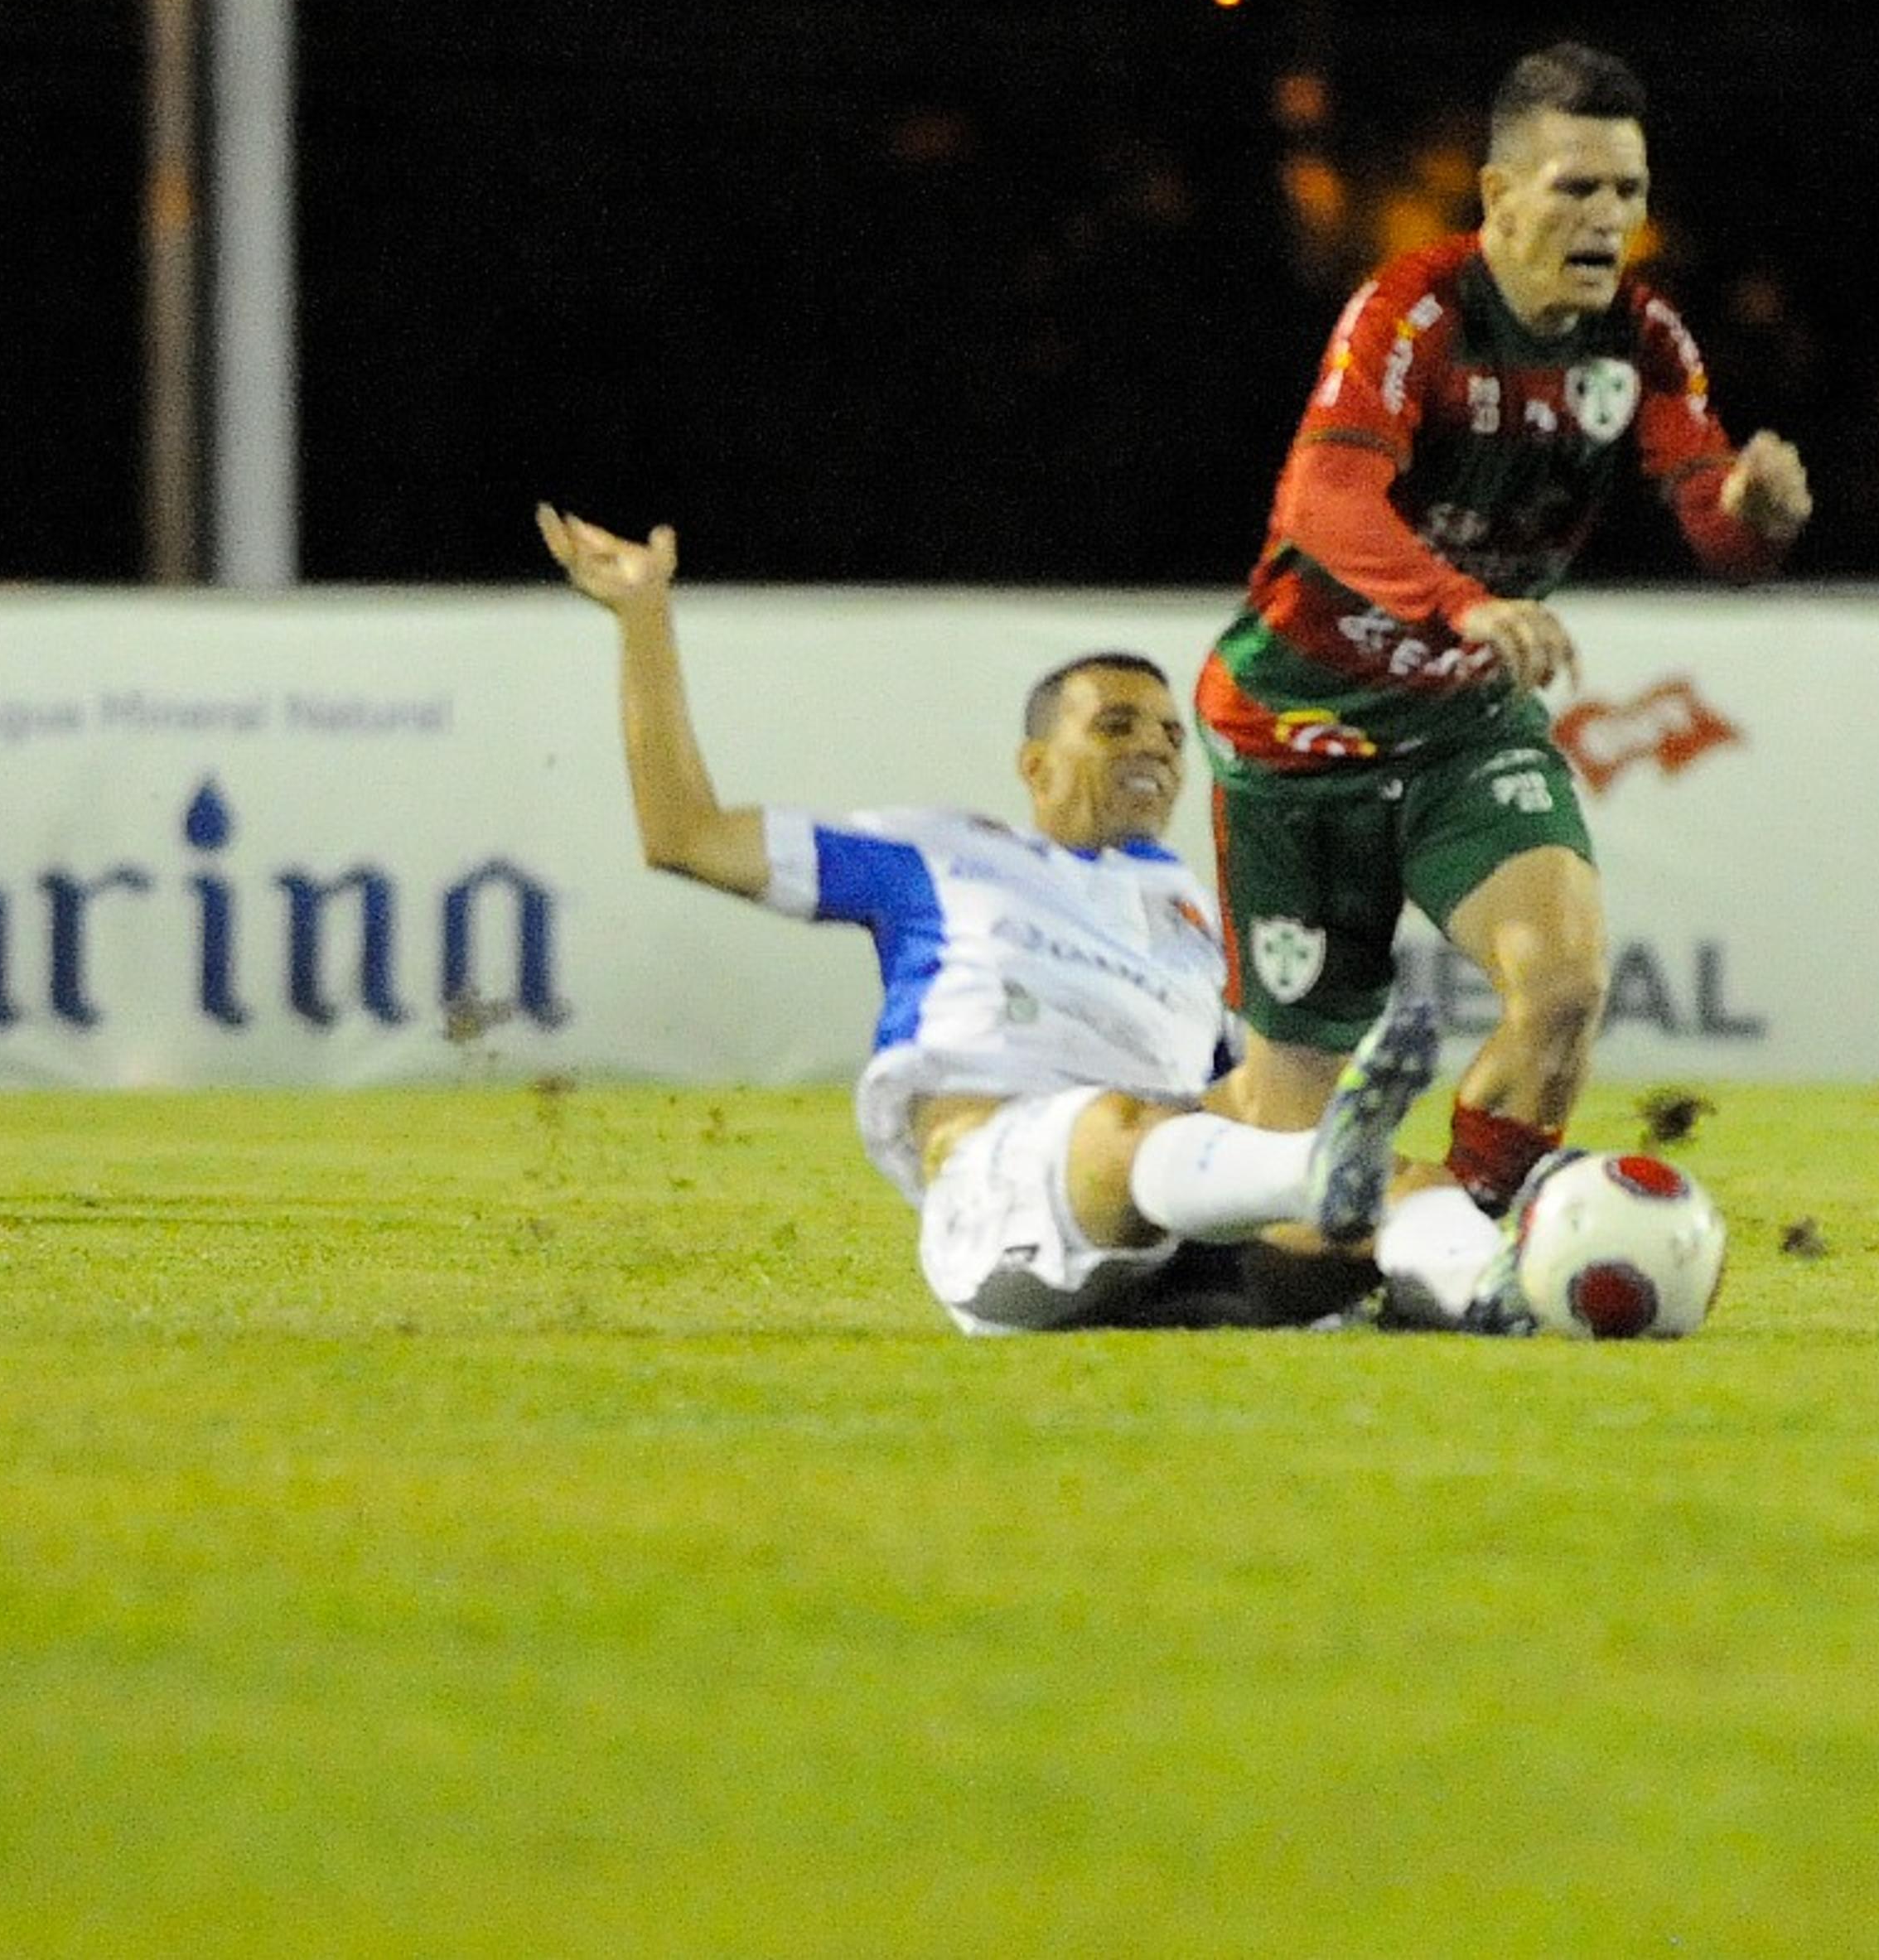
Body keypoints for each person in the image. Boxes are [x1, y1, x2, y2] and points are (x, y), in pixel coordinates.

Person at [537, 502, 1513, 1336]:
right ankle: (1317, 1182)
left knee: (1410, 1188)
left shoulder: (1195, 918)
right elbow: (685, 834)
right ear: (1034, 765)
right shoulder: (933, 857)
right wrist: (642, 618)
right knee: (1122, 1127)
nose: (1157, 750)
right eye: (1115, 726)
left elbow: (1241, 1098)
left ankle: (1504, 1294)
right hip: (1003, 1205)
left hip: (1182, 1227)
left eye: (1173, 736)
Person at [1196, 40, 1816, 1212]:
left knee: (1566, 991)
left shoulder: (1640, 340)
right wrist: (1466, 603)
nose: (1610, 218)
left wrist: (1752, 510)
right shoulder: (1411, 312)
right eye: (1578, 187)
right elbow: (1324, 501)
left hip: (1463, 730)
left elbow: (1712, 518)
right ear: (1498, 196)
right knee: (1286, 1123)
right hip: (1302, 730)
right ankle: (1117, 1176)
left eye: (1629, 192)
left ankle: (1464, 1247)